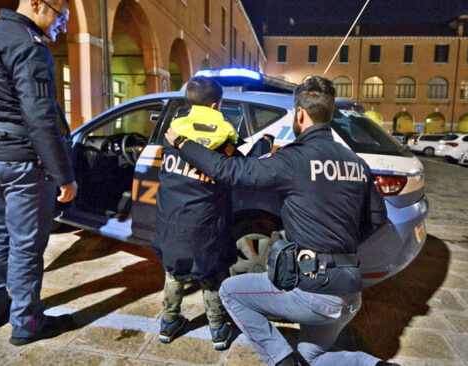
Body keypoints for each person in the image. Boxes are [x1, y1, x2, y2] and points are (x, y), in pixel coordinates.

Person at [166, 76, 399, 366]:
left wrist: (181, 143)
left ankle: (281, 362)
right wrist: (338, 249)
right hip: (350, 291)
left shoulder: (293, 160)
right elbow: (378, 220)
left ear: (300, 114)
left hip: (313, 291)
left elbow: (229, 171)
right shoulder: (356, 163)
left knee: (230, 292)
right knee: (313, 357)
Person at [0, 0, 78, 346]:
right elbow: (39, 115)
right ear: (36, 4)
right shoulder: (28, 46)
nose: (61, 26)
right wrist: (64, 175)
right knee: (27, 245)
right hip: (20, 158)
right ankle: (27, 323)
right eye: (60, 16)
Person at [152, 76, 238, 350]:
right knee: (211, 276)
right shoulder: (226, 138)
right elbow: (236, 169)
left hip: (172, 224)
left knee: (174, 273)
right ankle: (218, 330)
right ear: (215, 105)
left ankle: (168, 323)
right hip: (207, 227)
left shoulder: (172, 134)